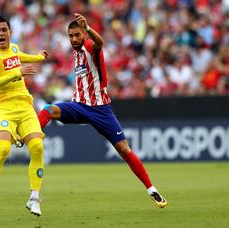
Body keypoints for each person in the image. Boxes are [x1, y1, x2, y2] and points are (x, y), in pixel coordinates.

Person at [37, 13, 168, 208]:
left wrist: (88, 28)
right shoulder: (76, 53)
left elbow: (100, 43)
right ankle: (31, 136)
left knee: (124, 149)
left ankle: (152, 190)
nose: (74, 39)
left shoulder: (89, 45)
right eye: (70, 36)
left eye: (77, 35)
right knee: (48, 110)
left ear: (84, 35)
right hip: (79, 106)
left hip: (101, 109)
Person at [0, 16, 49, 216]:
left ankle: (34, 198)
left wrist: (38, 58)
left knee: (37, 147)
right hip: (4, 108)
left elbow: (20, 56)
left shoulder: (15, 48)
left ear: (10, 32)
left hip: (25, 107)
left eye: (4, 30)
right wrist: (17, 73)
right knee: (2, 149)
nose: (1, 34)